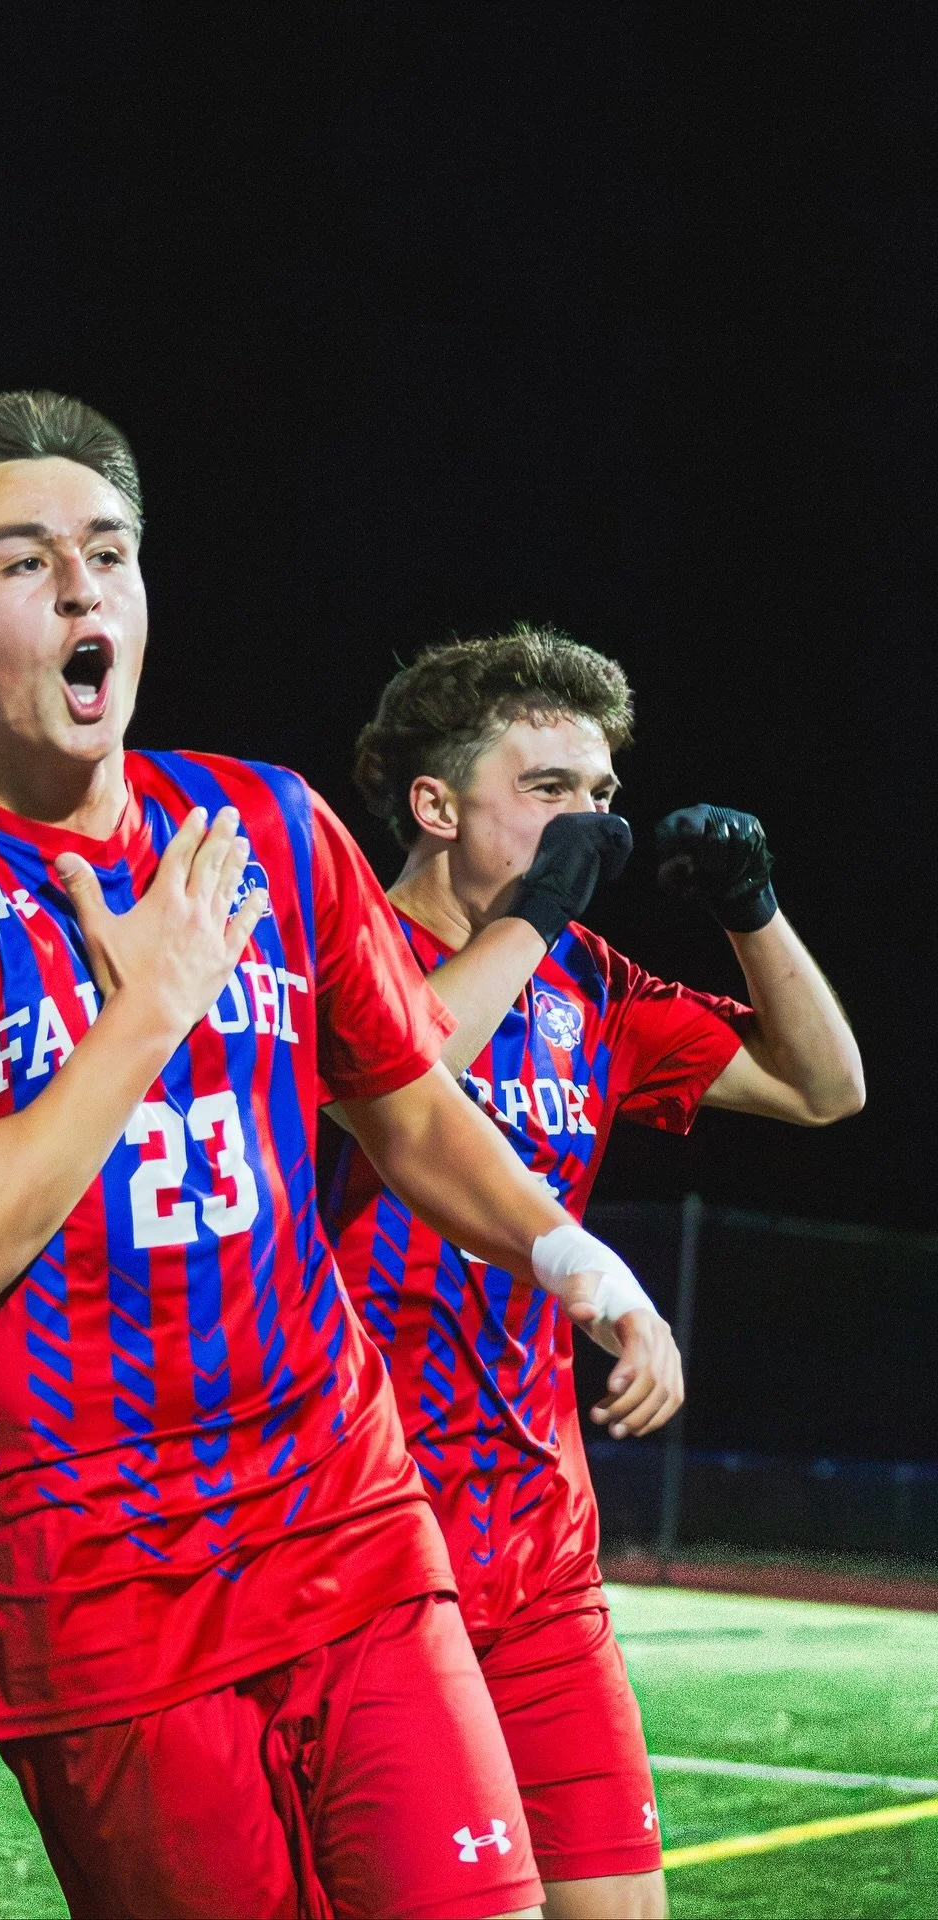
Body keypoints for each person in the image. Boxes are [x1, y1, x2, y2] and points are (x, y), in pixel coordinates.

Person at [0, 391, 683, 1920]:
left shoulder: (265, 823)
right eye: (24, 563)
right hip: (95, 1594)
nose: (84, 592)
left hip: (346, 1523)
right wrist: (144, 1014)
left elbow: (406, 1106)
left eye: (111, 555)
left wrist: (572, 1256)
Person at [325, 625, 864, 1920]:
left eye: (604, 797)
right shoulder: (336, 947)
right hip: (368, 1556)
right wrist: (535, 916)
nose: (592, 827)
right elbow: (401, 1075)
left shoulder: (591, 986)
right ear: (435, 806)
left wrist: (754, 909)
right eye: (550, 791)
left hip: (544, 1561)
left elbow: (826, 1087)